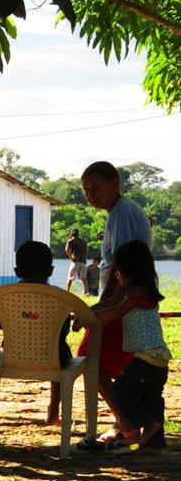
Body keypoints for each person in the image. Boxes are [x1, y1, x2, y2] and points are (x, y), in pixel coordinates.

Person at [77, 160, 152, 444]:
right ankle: (126, 422)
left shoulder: (122, 213)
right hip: (126, 298)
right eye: (86, 190)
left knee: (90, 361)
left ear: (114, 183)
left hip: (123, 300)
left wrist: (103, 306)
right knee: (107, 366)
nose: (90, 194)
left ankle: (127, 423)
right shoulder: (120, 212)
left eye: (95, 187)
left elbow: (120, 264)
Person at [83, 240, 170, 451]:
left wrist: (89, 316)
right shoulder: (144, 293)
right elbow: (113, 306)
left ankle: (148, 423)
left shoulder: (134, 298)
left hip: (145, 358)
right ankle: (155, 440)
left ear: (130, 273)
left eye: (118, 271)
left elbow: (113, 313)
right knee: (151, 396)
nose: (115, 275)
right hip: (158, 359)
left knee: (122, 389)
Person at [11, 240, 72, 426]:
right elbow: (64, 330)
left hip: (13, 355)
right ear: (51, 271)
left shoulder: (8, 296)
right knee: (60, 355)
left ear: (16, 271)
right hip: (54, 356)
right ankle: (54, 411)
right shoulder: (60, 299)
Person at [65, 228, 88, 293]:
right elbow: (86, 251)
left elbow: (66, 250)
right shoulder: (83, 242)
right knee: (84, 278)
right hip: (83, 261)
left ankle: (67, 292)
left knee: (70, 278)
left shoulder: (70, 241)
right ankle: (86, 292)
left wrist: (71, 258)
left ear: (71, 234)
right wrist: (84, 258)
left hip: (75, 261)